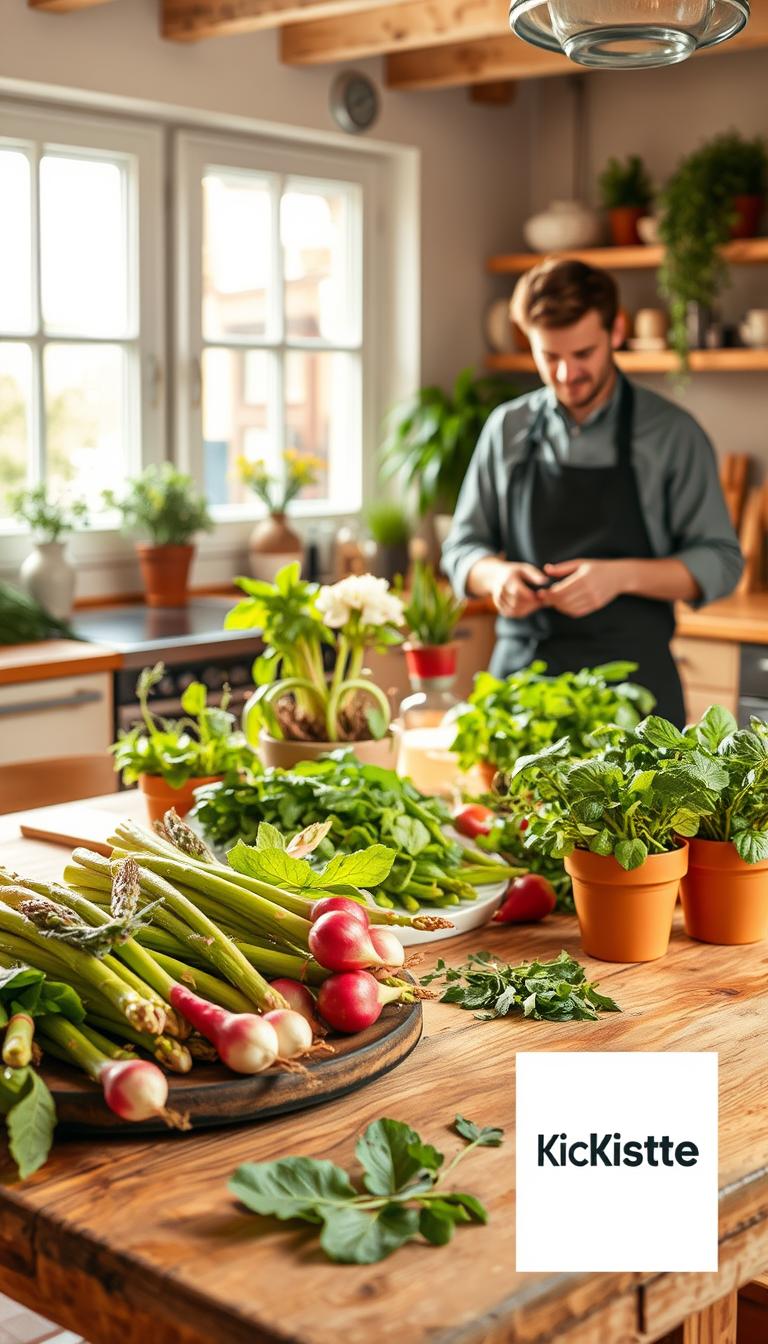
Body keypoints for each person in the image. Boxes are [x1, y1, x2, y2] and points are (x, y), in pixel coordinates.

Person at [441, 258, 743, 726]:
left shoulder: (670, 435)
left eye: (583, 354)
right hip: (521, 690)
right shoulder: (507, 428)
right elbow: (462, 548)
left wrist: (619, 577)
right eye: (550, 357)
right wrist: (496, 577)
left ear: (616, 330)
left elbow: (720, 561)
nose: (566, 374)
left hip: (635, 696)